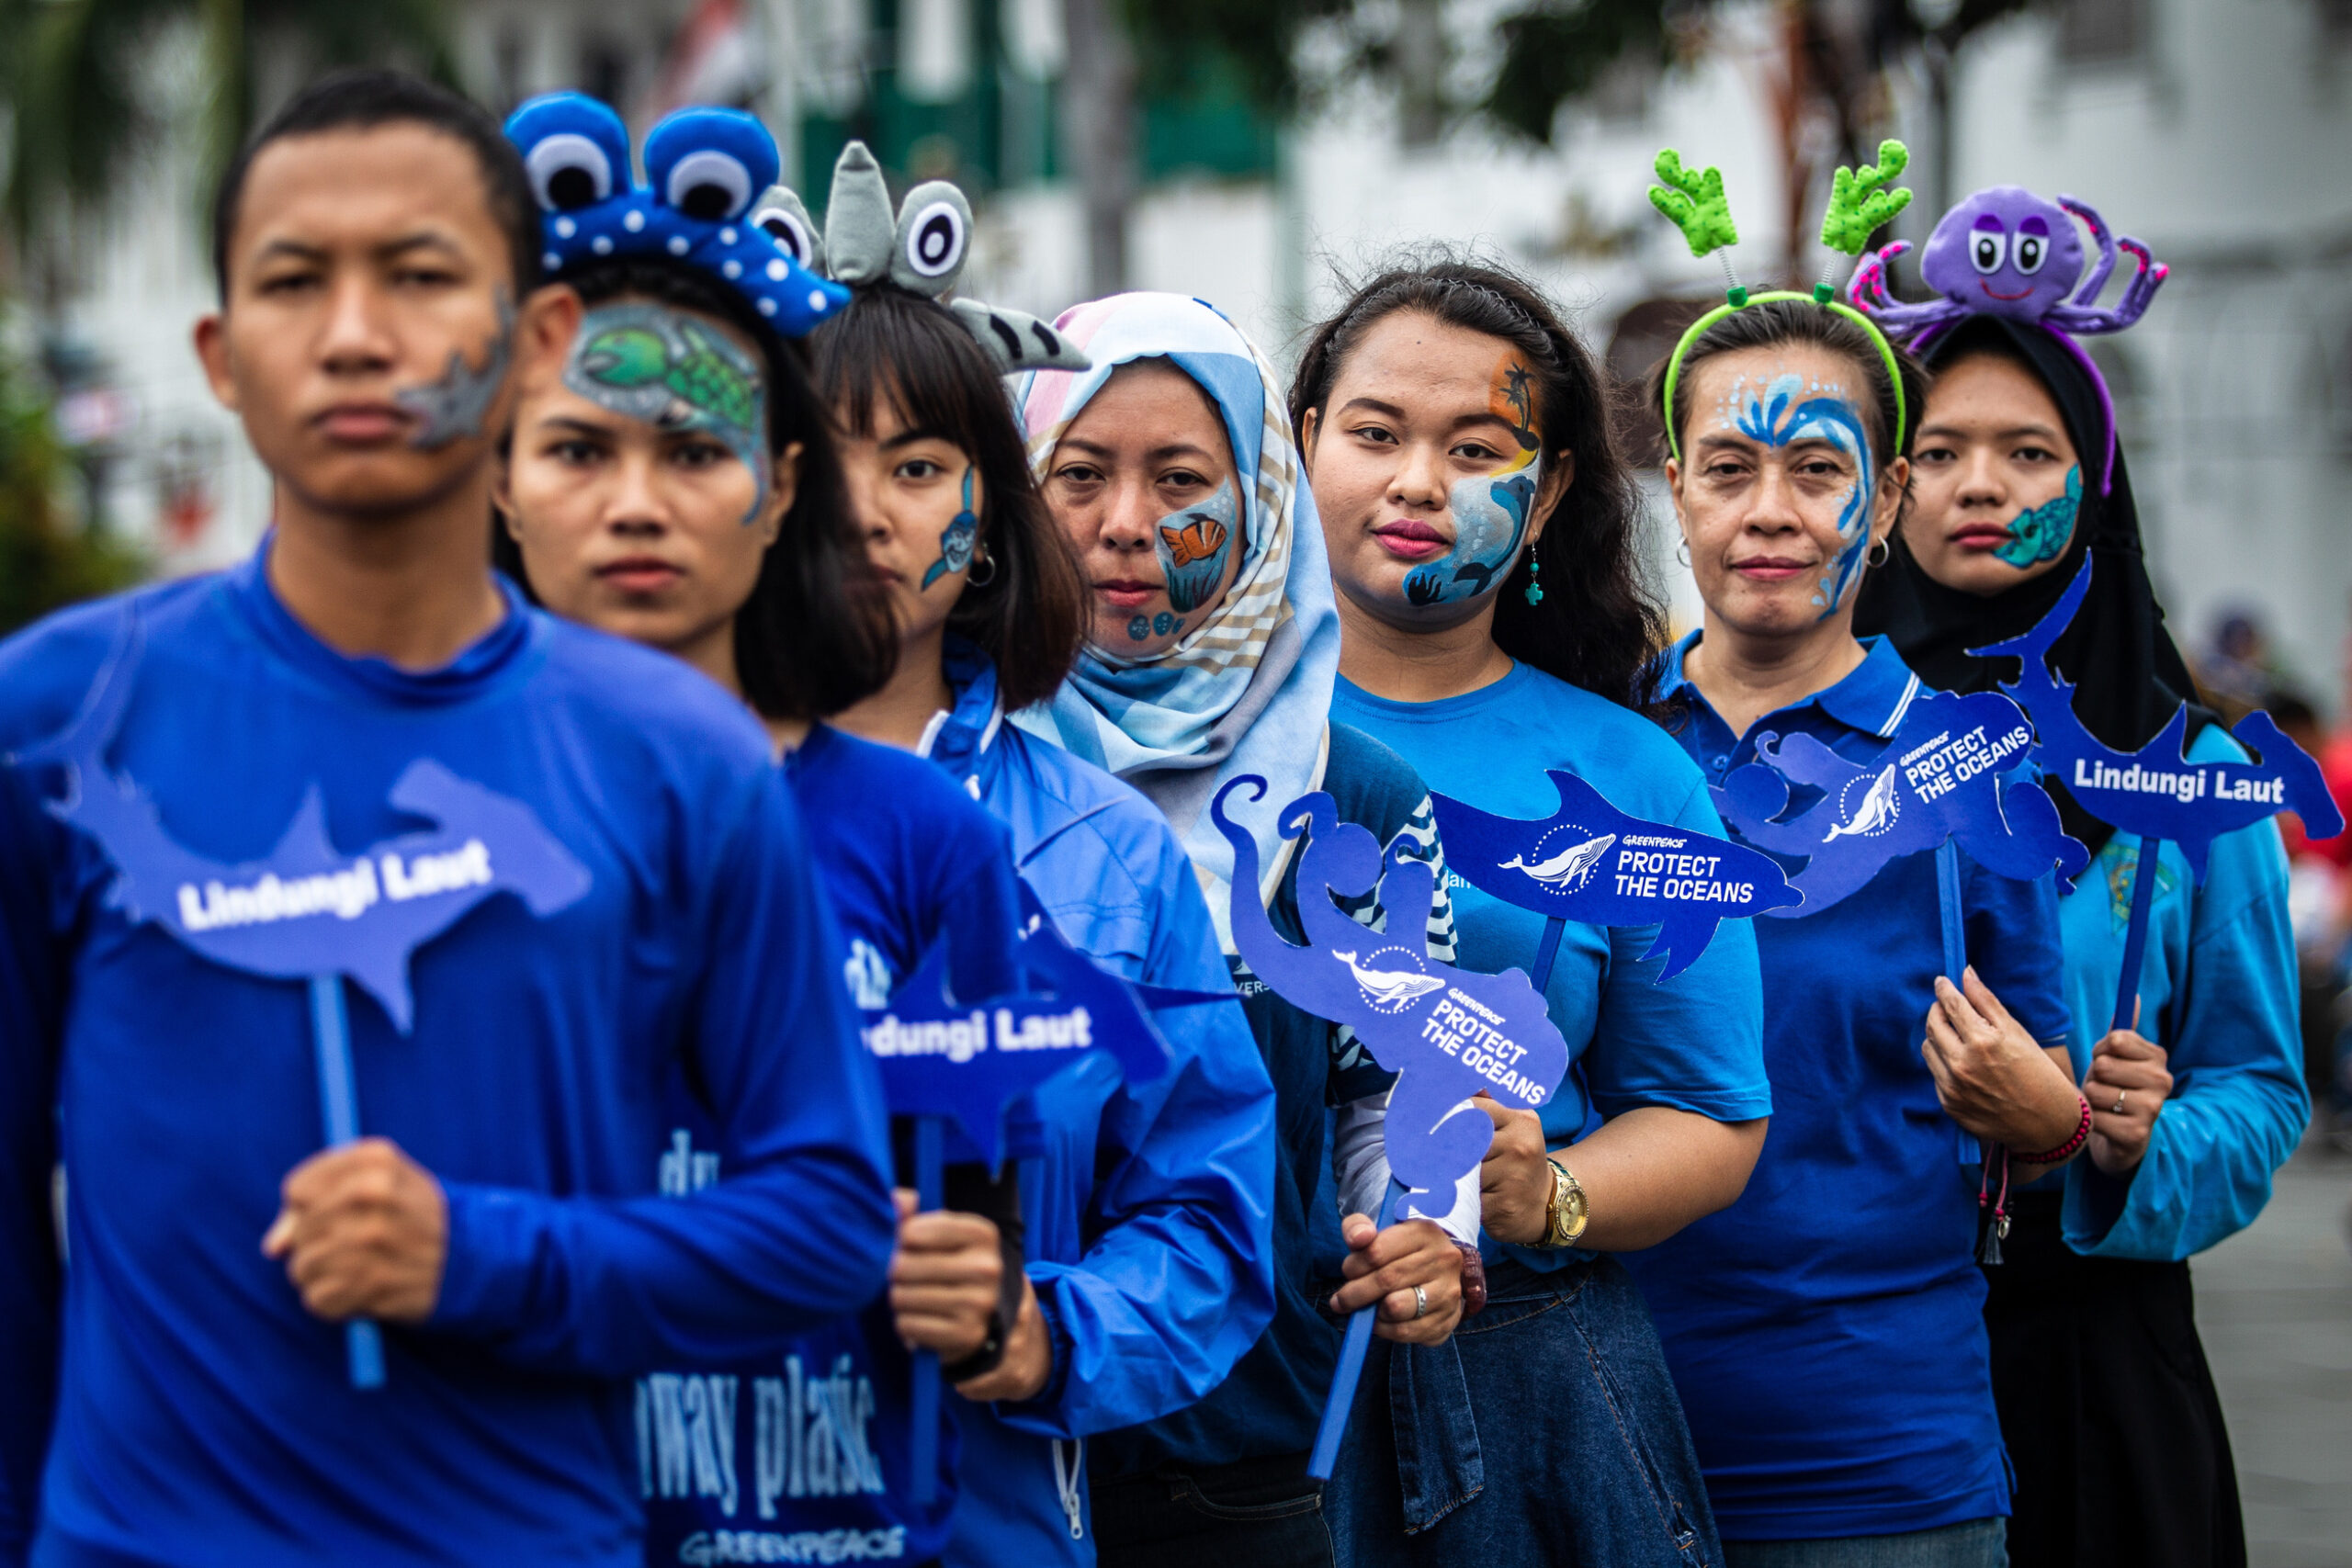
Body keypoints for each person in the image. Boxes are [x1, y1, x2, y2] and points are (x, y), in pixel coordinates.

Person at [0, 71, 896, 1568]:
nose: (357, 333)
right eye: (296, 282)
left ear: (537, 335)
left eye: (418, 275)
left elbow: (823, 1221)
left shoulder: (675, 759)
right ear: (222, 354)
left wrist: (485, 1257)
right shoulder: (55, 722)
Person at [492, 96, 1040, 1567]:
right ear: (498, 476)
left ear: (779, 485)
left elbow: (989, 1204)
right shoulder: (428, 831)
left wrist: (983, 1291)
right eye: (576, 450)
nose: (636, 507)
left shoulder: (930, 839)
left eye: (693, 449)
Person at [794, 146, 1281, 1568]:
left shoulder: (1106, 856)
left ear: (992, 517)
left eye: (920, 463)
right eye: (813, 452)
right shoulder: (640, 821)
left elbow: (1206, 1210)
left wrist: (1042, 1330)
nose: (865, 508)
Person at [1290, 258, 1771, 1565]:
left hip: (1531, 1389)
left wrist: (1541, 1191)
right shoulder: (1177, 742)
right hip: (1224, 1376)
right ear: (1303, 439)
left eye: (1478, 448)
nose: (1416, 482)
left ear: (1550, 489)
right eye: (1376, 432)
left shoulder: (1630, 774)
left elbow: (1711, 1116)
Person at [1622, 293, 2087, 1568]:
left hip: (1888, 1466)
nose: (1769, 510)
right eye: (1729, 468)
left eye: (1816, 470)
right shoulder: (1601, 751)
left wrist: (2054, 1115)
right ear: (1677, 490)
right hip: (1605, 1436)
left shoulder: (1975, 775)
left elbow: (2045, 1128)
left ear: (1883, 505)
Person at [1012, 291, 1475, 1568]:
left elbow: (1395, 1086)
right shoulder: (949, 774)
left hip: (1249, 1457)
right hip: (983, 1447)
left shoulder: (1359, 796)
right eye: (1079, 474)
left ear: (1265, 501)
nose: (1126, 525)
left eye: (1180, 479)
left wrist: (1432, 1223)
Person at [1854, 310, 2306, 1568]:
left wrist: (2127, 1141)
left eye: (2030, 451)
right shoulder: (1803, 749)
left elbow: (2260, 1093)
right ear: (1885, 484)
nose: (1982, 485)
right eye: (1938, 451)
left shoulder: (2203, 778)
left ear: (2094, 486)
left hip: (2097, 1371)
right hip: (1836, 1358)